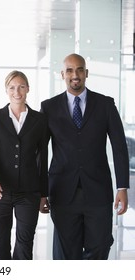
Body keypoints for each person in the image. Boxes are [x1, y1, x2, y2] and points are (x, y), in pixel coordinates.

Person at [40, 53, 130, 259]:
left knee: (99, 247)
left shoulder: (105, 105)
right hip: (62, 192)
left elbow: (119, 147)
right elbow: (41, 152)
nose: (75, 75)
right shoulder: (49, 107)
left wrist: (122, 187)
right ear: (62, 74)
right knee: (65, 254)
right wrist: (41, 191)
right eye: (70, 70)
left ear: (86, 73)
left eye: (80, 69)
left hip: (98, 192)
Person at [0, 71, 49, 260]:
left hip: (29, 192)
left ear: (28, 89)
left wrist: (44, 194)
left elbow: (43, 158)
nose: (16, 91)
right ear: (6, 90)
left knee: (25, 243)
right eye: (12, 87)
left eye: (21, 86)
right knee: (1, 243)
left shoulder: (40, 120)